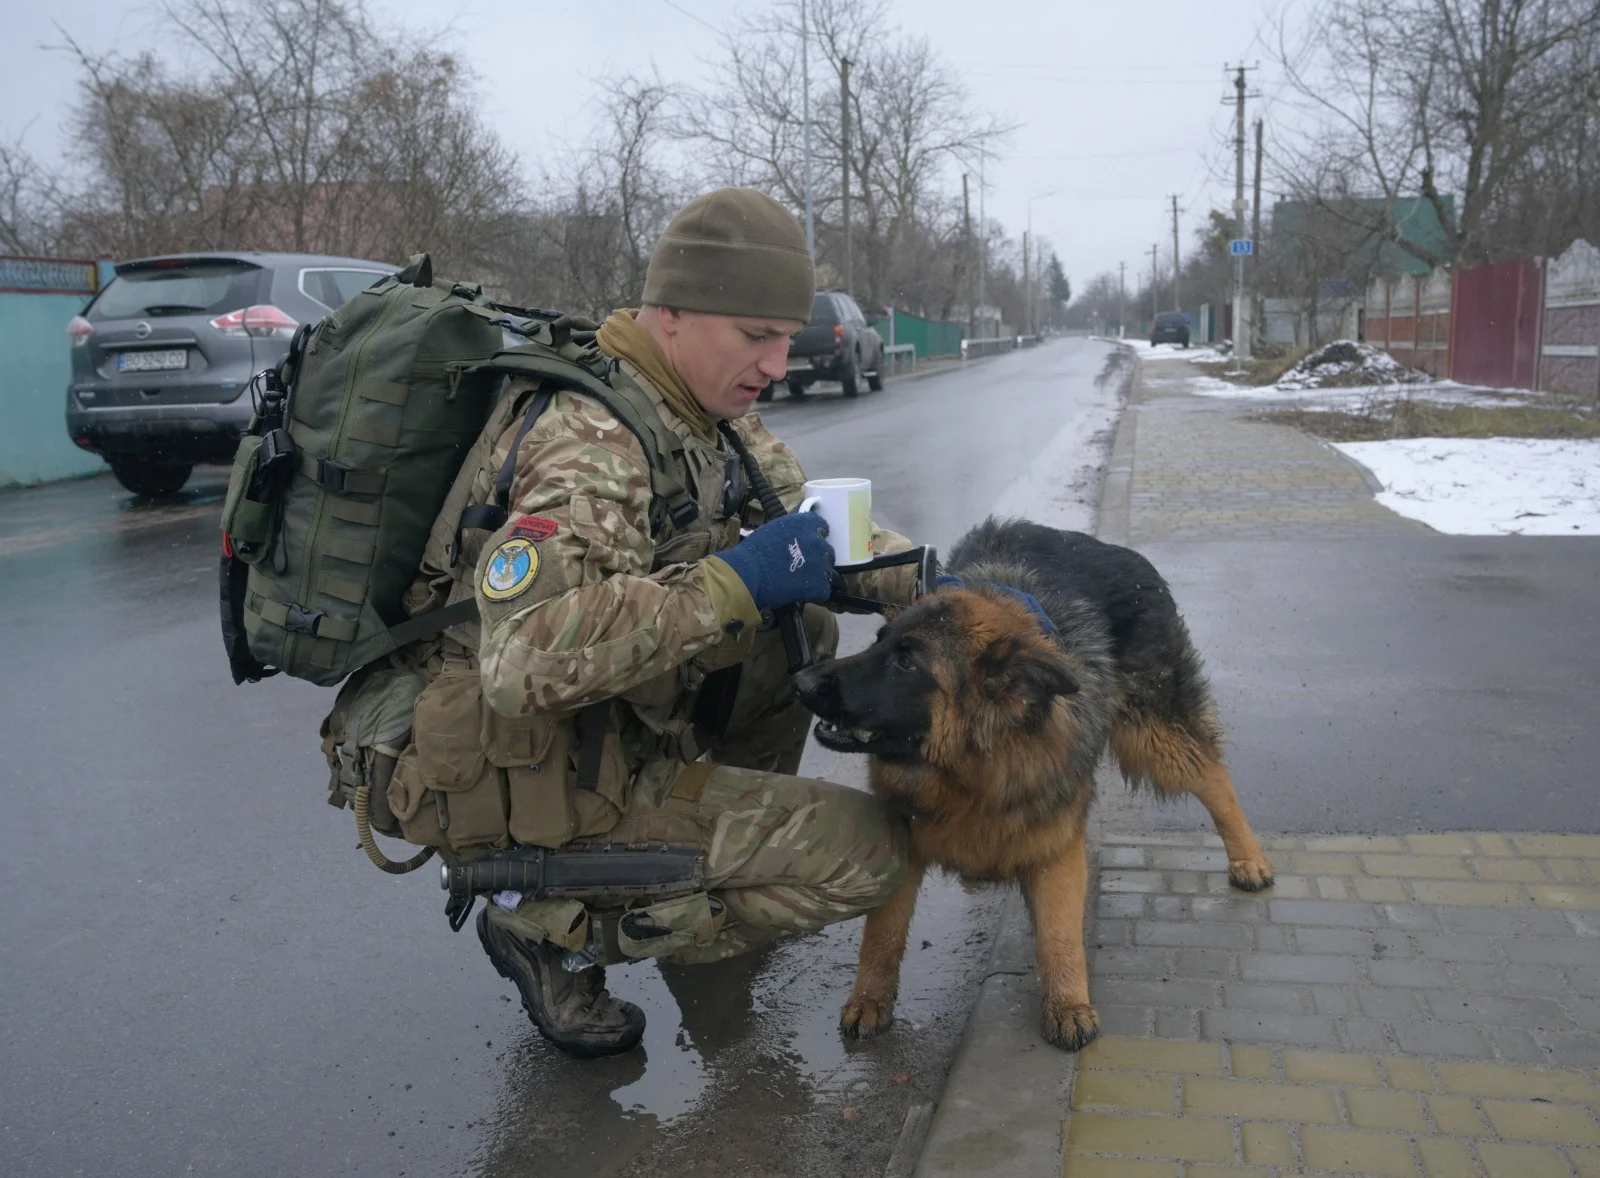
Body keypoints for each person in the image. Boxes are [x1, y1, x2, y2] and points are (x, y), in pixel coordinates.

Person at [404, 187, 923, 1057]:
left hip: (616, 715)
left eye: (786, 338)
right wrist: (731, 583)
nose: (778, 361)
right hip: (541, 759)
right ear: (673, 312)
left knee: (806, 640)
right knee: (873, 856)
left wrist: (947, 588)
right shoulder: (591, 436)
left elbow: (822, 532)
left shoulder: (703, 413)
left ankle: (685, 856)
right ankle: (548, 920)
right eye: (756, 336)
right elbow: (522, 662)